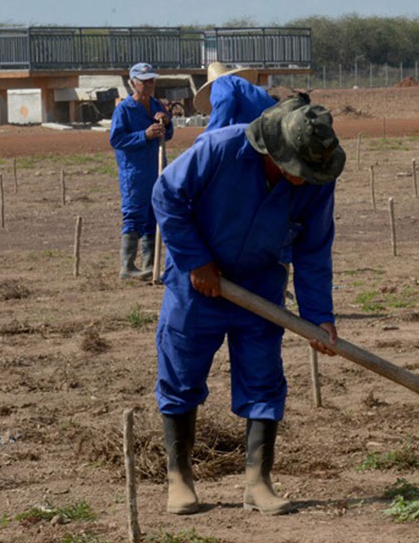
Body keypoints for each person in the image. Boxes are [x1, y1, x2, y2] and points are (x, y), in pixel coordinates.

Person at [151, 93, 345, 516]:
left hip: (259, 289)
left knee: (263, 381)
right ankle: (179, 478)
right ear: (274, 150)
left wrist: (319, 316)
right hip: (198, 284)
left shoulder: (316, 178)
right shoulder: (221, 149)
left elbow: (314, 249)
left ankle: (258, 482)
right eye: (296, 170)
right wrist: (196, 261)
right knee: (181, 375)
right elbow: (166, 196)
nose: (302, 179)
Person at [109, 62, 173, 279]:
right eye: (145, 82)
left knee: (153, 216)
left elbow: (168, 133)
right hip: (134, 171)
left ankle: (149, 265)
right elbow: (116, 139)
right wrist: (144, 135)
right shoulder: (124, 110)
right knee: (134, 214)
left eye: (152, 81)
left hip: (156, 169)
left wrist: (166, 122)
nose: (149, 85)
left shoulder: (156, 105)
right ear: (133, 83)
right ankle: (127, 266)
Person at [193, 61, 276, 131]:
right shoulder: (247, 89)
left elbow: (224, 103)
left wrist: (209, 136)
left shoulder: (221, 82)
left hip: (262, 130)